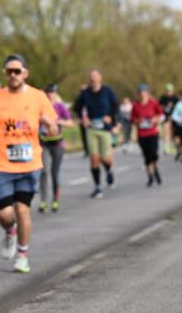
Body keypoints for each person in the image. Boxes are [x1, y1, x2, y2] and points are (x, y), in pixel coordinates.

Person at [0, 54, 58, 272]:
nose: (13, 75)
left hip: (29, 164)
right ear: (5, 74)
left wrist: (51, 126)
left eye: (17, 71)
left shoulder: (38, 97)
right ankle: (10, 231)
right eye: (9, 71)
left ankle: (22, 255)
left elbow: (53, 126)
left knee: (23, 210)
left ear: (25, 73)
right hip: (1, 164)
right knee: (4, 214)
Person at [73, 69, 119, 198]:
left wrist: (110, 116)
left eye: (95, 77)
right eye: (91, 77)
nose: (93, 79)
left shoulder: (107, 91)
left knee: (105, 157)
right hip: (92, 128)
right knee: (94, 158)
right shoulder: (85, 93)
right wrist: (83, 119)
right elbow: (77, 107)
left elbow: (116, 106)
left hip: (105, 128)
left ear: (100, 78)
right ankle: (97, 187)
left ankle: (109, 170)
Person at [38, 84, 74, 212]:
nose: (50, 95)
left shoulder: (60, 107)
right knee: (43, 171)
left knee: (54, 173)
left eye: (52, 93)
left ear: (55, 93)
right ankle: (43, 201)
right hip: (43, 143)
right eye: (48, 93)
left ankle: (55, 200)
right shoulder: (40, 107)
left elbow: (71, 123)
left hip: (58, 144)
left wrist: (58, 122)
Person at [130, 83, 164, 186]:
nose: (143, 94)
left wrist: (155, 119)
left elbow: (161, 115)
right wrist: (137, 121)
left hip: (152, 133)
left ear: (148, 93)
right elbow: (132, 119)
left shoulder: (153, 103)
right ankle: (150, 177)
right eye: (141, 92)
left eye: (144, 92)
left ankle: (156, 170)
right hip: (142, 134)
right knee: (147, 156)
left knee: (153, 154)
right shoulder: (135, 105)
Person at [158, 83, 178, 155]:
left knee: (173, 133)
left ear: (172, 91)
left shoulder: (175, 98)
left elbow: (178, 109)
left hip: (174, 118)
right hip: (165, 117)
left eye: (170, 90)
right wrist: (162, 109)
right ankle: (166, 147)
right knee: (166, 132)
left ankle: (173, 147)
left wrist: (173, 116)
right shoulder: (163, 98)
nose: (169, 92)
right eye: (167, 90)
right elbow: (159, 107)